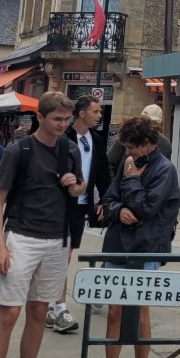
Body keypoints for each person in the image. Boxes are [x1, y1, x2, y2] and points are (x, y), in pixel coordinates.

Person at [0, 91, 85, 358]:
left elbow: (79, 189)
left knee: (39, 311)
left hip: (56, 239)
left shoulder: (70, 148)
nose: (62, 125)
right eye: (57, 119)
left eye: (67, 120)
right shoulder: (19, 150)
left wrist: (74, 185)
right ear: (39, 117)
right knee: (9, 313)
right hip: (22, 236)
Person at [83, 116, 180, 358]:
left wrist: (134, 182)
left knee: (139, 314)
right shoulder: (129, 164)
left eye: (132, 148)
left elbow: (148, 209)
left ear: (148, 144)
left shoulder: (165, 170)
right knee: (114, 312)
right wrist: (116, 210)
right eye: (125, 147)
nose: (128, 153)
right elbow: (110, 198)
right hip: (119, 243)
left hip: (147, 246)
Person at [47, 94, 112, 334]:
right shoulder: (62, 137)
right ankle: (58, 307)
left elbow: (103, 173)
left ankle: (50, 304)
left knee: (67, 251)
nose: (99, 116)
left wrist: (105, 200)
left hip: (81, 204)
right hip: (60, 203)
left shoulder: (96, 138)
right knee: (62, 254)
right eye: (96, 112)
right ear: (82, 113)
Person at [108, 103, 172, 180]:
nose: (151, 126)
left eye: (154, 123)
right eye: (147, 122)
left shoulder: (165, 144)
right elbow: (109, 163)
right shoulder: (127, 137)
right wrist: (113, 184)